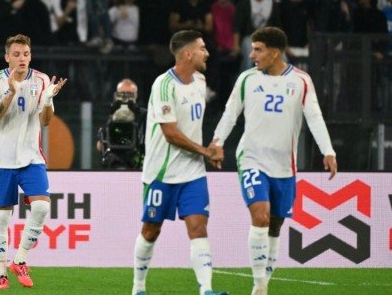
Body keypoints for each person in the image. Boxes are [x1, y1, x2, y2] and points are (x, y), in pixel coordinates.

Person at [210, 27, 337, 295]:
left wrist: (328, 151)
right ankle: (258, 285)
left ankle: (265, 277)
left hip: (284, 166)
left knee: (275, 224)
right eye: (252, 48)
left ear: (274, 52)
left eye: (258, 49)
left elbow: (314, 117)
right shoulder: (246, 79)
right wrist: (217, 142)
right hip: (252, 158)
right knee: (260, 215)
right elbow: (230, 114)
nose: (252, 54)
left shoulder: (301, 80)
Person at [132, 30, 227, 295]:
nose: (207, 53)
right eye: (202, 48)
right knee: (151, 230)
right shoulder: (163, 85)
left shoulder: (200, 81)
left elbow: (194, 126)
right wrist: (205, 151)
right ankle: (138, 287)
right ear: (188, 53)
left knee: (198, 226)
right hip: (161, 172)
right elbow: (170, 133)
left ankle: (206, 290)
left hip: (193, 172)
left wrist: (210, 149)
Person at [0, 34, 66, 290]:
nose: (22, 59)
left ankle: (19, 259)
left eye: (26, 54)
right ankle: (1, 274)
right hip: (1, 160)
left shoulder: (40, 80)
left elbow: (46, 121)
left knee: (41, 208)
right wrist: (9, 93)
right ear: (7, 57)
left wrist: (48, 98)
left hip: (31, 158)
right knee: (1, 220)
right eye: (16, 54)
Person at [97, 78, 146, 169]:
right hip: (114, 160)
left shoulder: (145, 115)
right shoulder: (110, 113)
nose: (125, 97)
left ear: (136, 95)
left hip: (137, 162)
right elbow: (100, 146)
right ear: (116, 94)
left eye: (129, 94)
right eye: (122, 93)